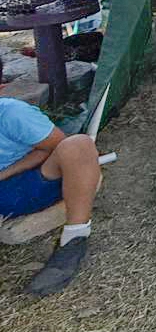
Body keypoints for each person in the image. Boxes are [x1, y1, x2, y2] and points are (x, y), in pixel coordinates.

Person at [0, 79, 101, 296]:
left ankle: (74, 239)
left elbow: (55, 146)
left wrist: (4, 174)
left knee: (79, 145)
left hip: (31, 182)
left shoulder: (12, 113)